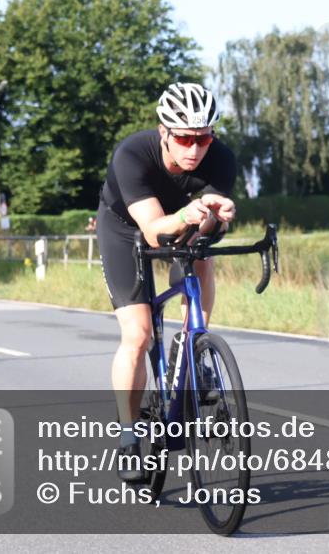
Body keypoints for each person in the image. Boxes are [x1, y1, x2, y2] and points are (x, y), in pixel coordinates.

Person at [96, 82, 237, 481]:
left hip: (182, 219)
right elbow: (156, 231)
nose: (195, 149)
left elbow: (205, 225)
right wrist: (190, 214)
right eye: (185, 139)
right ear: (164, 133)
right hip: (128, 227)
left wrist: (216, 214)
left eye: (204, 138)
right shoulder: (132, 155)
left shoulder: (221, 159)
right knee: (138, 335)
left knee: (203, 255)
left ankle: (195, 343)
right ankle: (127, 438)